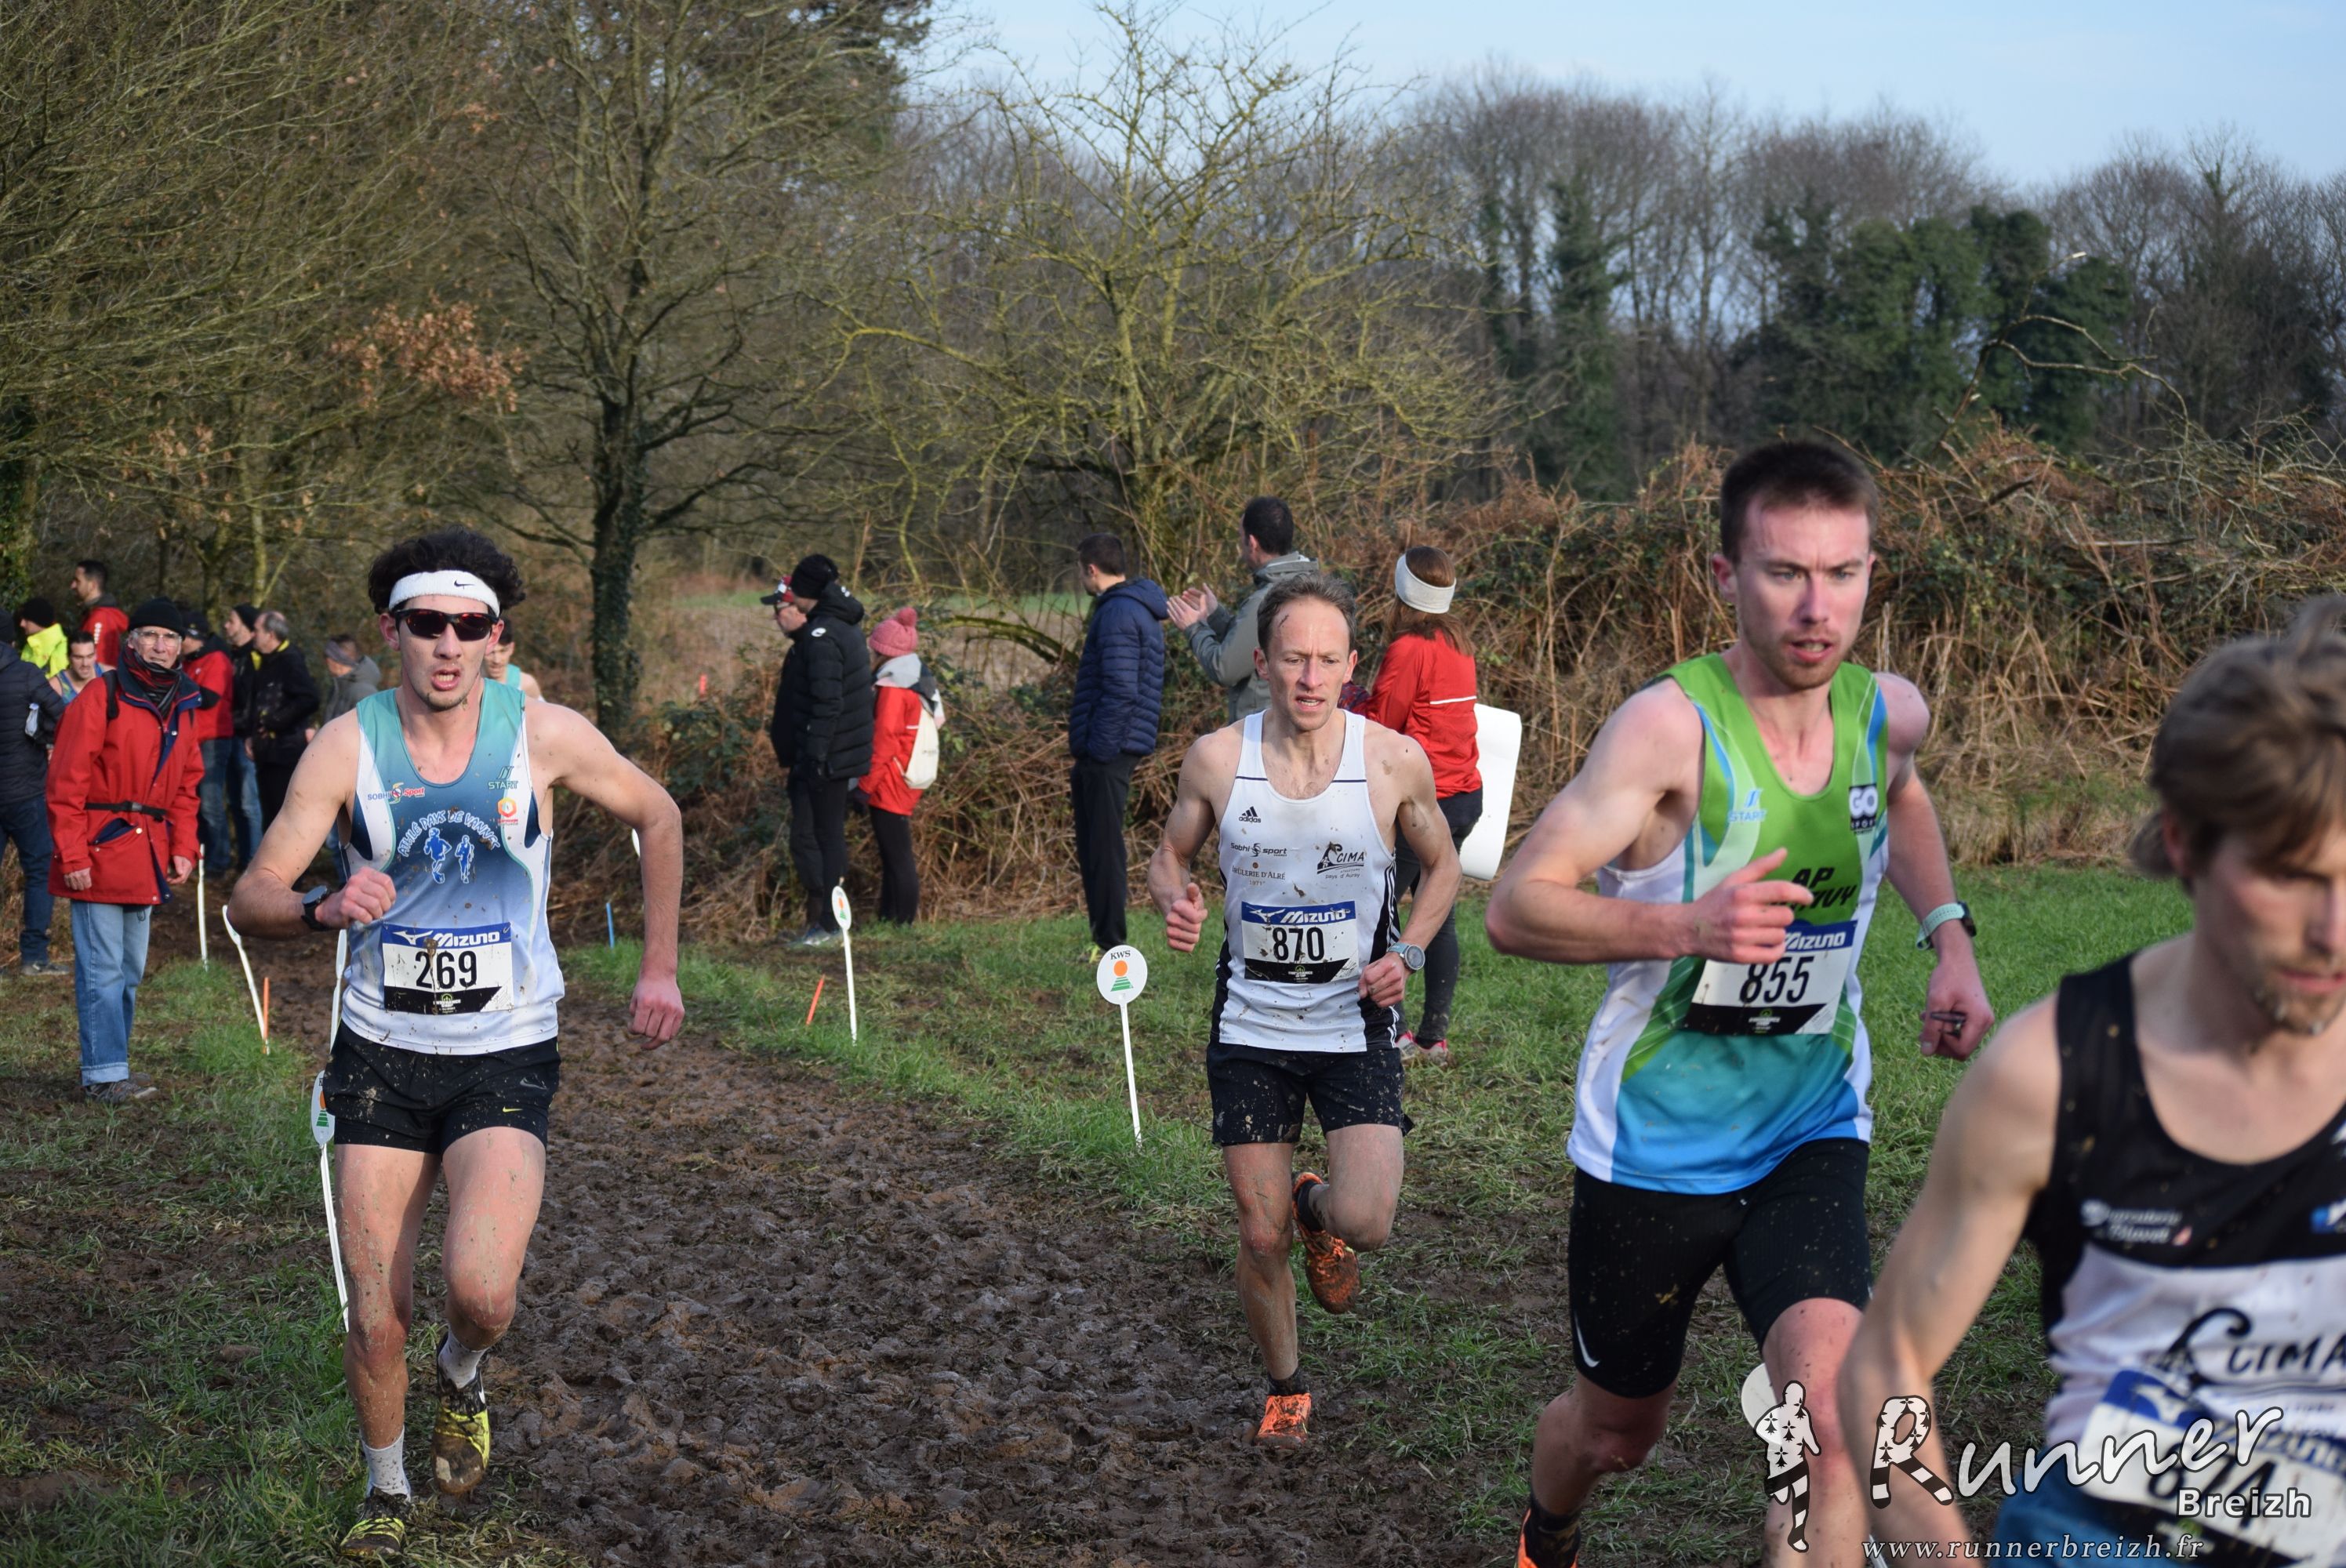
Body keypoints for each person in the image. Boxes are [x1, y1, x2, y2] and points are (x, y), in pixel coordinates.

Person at [1484, 439, 1994, 1568]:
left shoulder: (1889, 712)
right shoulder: (1668, 729)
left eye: (1842, 573)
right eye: (1784, 572)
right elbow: (1515, 907)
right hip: (1654, 1147)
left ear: (1871, 573)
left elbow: (1901, 797)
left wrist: (1948, 937)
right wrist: (1686, 926)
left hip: (1809, 1125)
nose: (1817, 608)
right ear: (1725, 575)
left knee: (1837, 1421)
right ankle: (1546, 1527)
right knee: (1616, 1433)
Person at [1840, 597, 2346, 1563]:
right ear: (2185, 842)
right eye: (2288, 874)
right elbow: (1883, 1366)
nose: (2333, 931)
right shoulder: (2050, 1071)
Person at [227, 526, 684, 1560]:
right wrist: (320, 906)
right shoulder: (346, 745)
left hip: (504, 1051)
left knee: (482, 1291)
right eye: (427, 622)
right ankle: (385, 1489)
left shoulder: (543, 734)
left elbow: (657, 816)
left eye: (468, 625)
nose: (447, 643)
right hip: (378, 1054)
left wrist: (657, 967)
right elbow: (251, 893)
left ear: (496, 638)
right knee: (373, 1312)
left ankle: (463, 1370)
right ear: (392, 630)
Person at [1147, 571, 1462, 1450]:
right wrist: (1175, 898)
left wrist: (1406, 952)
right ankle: (1286, 1387)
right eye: (1293, 658)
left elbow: (1443, 867)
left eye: (1328, 659)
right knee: (1259, 1234)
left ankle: (1314, 1205)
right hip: (1251, 1026)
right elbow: (1169, 855)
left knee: (1370, 1221)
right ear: (1263, 662)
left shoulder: (1392, 760)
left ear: (1352, 665)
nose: (1310, 676)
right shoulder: (1217, 758)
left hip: (1352, 1022)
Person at [48, 599, 208, 1103]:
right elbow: (66, 780)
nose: (161, 645)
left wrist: (183, 845)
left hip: (148, 854)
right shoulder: (102, 694)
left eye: (170, 637)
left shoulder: (184, 702)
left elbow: (188, 785)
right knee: (103, 970)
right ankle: (103, 1075)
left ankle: (113, 1064)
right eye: (151, 635)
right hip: (98, 849)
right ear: (132, 641)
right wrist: (72, 855)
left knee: (130, 971)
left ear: (181, 646)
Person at [1357, 545, 1483, 1067]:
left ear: (1401, 590)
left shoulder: (1409, 648)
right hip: (1465, 795)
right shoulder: (1459, 644)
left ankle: (1397, 1033)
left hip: (1423, 803)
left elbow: (1383, 723)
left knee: (1383, 914)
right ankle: (1434, 1037)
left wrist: (1350, 700)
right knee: (1439, 913)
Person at [1069, 533, 1170, 959]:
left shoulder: (1118, 613)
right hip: (1114, 745)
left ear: (1091, 569)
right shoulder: (1132, 607)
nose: (1081, 578)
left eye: (1081, 571)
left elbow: (1121, 690)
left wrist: (1099, 750)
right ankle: (1103, 938)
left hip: (1109, 749)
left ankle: (1111, 944)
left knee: (1103, 849)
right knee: (1098, 846)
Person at [764, 555, 873, 948]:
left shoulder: (823, 636)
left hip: (829, 758)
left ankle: (830, 924)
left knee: (825, 838)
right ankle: (826, 923)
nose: (790, 599)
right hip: (835, 754)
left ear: (807, 593)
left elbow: (828, 705)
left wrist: (816, 756)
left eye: (796, 591)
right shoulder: (838, 627)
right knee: (822, 836)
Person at [1165, 496, 1317, 722]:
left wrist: (1194, 628)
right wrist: (1215, 616)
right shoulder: (1308, 587)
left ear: (1252, 542)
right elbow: (1253, 643)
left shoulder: (1267, 600)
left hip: (1263, 729)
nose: (1241, 549)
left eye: (1240, 538)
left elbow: (1225, 669)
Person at [855, 606, 942, 924]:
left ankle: (902, 921)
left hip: (891, 779)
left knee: (897, 854)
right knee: (893, 853)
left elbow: (884, 742)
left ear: (883, 651)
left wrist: (865, 787)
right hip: (904, 775)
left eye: (873, 648)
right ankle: (888, 919)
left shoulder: (894, 687)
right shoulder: (917, 677)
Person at [0, 626, 67, 978]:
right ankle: (34, 956)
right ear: (12, 641)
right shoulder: (26, 674)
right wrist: (40, 735)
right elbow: (62, 717)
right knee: (40, 871)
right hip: (25, 793)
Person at [180, 610, 242, 875]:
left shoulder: (216, 659)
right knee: (194, 800)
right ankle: (200, 854)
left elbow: (209, 698)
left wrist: (176, 680)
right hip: (193, 739)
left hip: (213, 739)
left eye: (180, 637)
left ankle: (219, 859)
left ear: (193, 637)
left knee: (210, 801)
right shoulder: (189, 661)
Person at [247, 609, 318, 828]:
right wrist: (252, 734)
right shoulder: (264, 660)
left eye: (256, 630)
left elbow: (309, 699)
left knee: (283, 819)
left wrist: (275, 722)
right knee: (269, 817)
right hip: (266, 753)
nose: (252, 635)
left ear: (270, 634)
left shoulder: (291, 661)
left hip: (285, 753)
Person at [221, 603, 268, 866]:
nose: (226, 625)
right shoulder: (232, 656)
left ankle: (255, 861)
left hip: (247, 738)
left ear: (248, 628)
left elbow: (257, 700)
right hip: (231, 734)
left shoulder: (256, 659)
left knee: (250, 802)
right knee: (237, 801)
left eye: (232, 621)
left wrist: (254, 734)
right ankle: (244, 859)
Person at [315, 633, 383, 735]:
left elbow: (368, 737)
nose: (326, 662)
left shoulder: (364, 693)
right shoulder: (340, 686)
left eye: (327, 658)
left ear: (333, 660)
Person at [71, 559, 129, 669]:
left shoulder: (100, 618)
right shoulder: (94, 614)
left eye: (77, 581)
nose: (73, 585)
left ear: (92, 585)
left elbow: (94, 665)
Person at [484, 622, 541, 701]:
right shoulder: (470, 680)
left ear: (511, 648)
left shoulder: (526, 685)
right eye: (491, 652)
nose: (497, 660)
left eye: (503, 651)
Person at [48, 628, 104, 702]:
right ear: (68, 657)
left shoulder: (109, 676)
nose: (85, 664)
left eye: (89, 656)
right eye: (78, 658)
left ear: (96, 655)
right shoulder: (54, 688)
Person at [16, 597, 67, 679]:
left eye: (26, 620)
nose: (22, 624)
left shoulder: (63, 648)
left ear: (39, 620)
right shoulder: (31, 645)